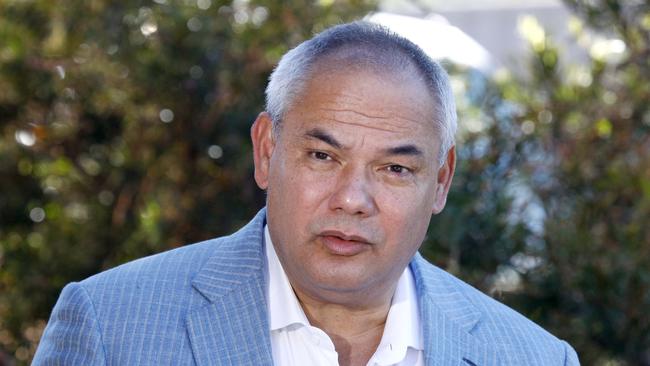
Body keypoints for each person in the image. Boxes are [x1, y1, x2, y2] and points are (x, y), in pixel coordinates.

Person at [33, 21, 580, 366]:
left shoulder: (534, 357)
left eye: (393, 168)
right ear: (267, 150)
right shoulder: (110, 326)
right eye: (323, 156)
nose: (352, 199)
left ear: (440, 181)